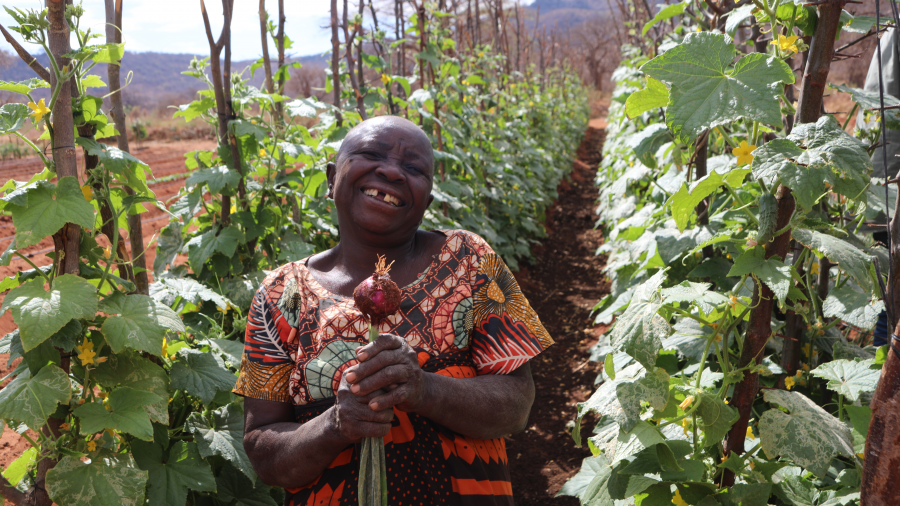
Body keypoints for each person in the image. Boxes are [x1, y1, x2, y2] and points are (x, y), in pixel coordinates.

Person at [233, 115, 554, 506]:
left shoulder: (471, 260)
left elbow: (518, 404)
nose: (391, 171)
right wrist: (336, 424)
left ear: (428, 200)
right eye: (370, 154)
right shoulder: (280, 294)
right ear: (332, 178)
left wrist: (424, 389)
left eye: (413, 168)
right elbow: (263, 452)